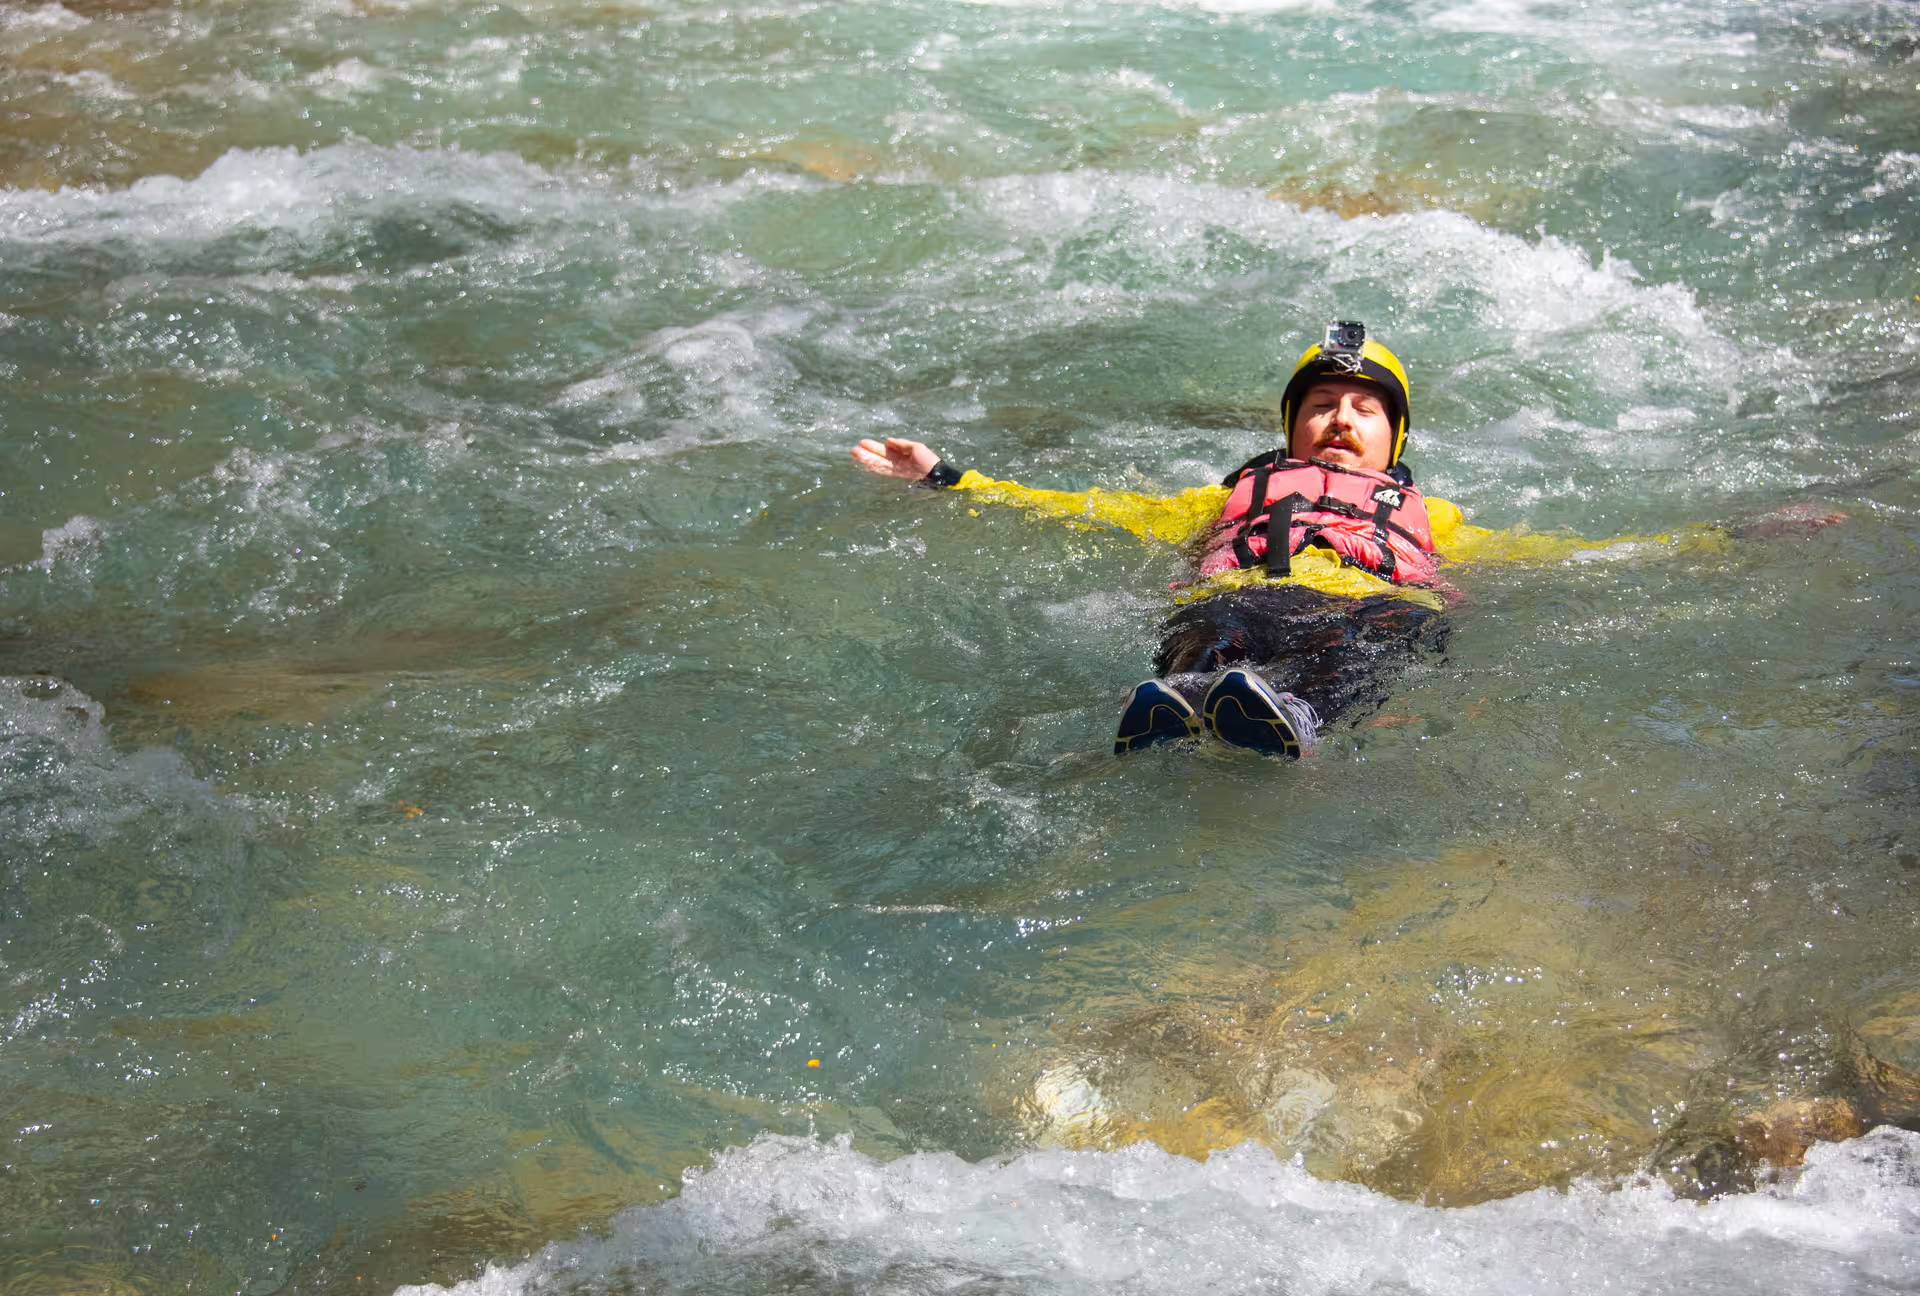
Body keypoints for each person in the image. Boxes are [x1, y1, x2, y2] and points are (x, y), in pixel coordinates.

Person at [851, 322, 1808, 758]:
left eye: (1362, 409)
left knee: (1357, 645)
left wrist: (1731, 538)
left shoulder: (1443, 523)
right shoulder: (1224, 500)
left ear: (1395, 440)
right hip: (1245, 595)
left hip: (1371, 606)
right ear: (1289, 428)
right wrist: (948, 477)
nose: (1340, 420)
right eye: (1319, 406)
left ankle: (1291, 718)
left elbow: (1580, 558)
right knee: (1213, 624)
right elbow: (1085, 506)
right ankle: (1187, 700)